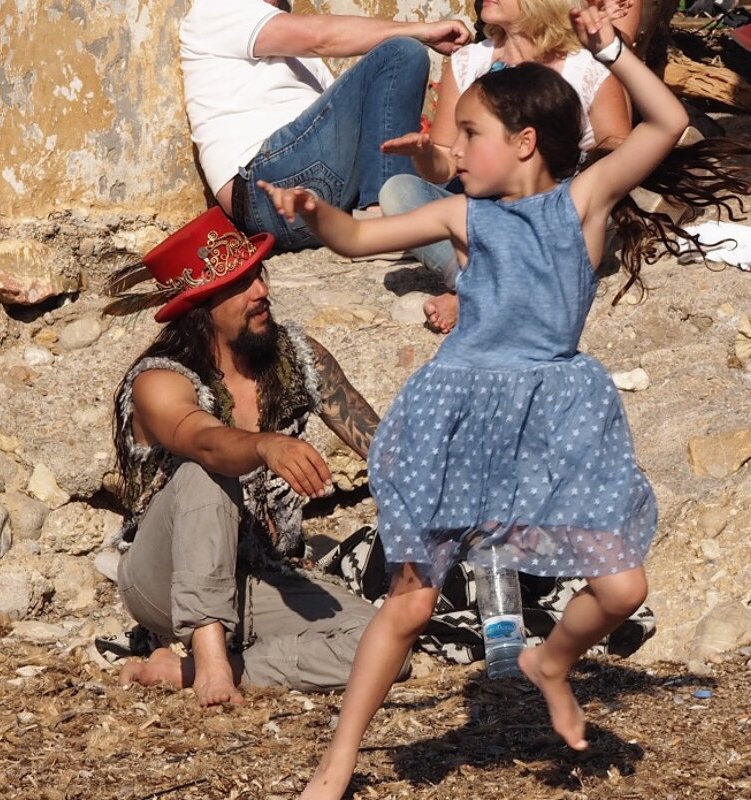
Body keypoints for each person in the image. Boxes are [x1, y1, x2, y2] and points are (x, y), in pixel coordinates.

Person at [259, 0, 751, 794]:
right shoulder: (462, 214)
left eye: (473, 135)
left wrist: (612, 49)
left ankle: (549, 662)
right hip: (461, 411)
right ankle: (341, 755)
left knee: (624, 587)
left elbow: (664, 122)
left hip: (556, 414)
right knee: (413, 600)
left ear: (524, 143)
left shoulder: (580, 205)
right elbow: (353, 239)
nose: (456, 148)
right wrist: (317, 213)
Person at [101, 207, 398, 707]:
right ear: (202, 309)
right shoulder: (159, 381)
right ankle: (212, 662)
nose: (260, 291)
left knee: (384, 647)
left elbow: (382, 447)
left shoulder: (296, 357)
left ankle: (197, 669)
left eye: (258, 273)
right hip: (164, 580)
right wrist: (265, 444)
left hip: (261, 576)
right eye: (239, 285)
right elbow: (205, 441)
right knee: (203, 471)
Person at [379, 0, 633, 332]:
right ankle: (489, 289)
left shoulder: (584, 67)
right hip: (485, 214)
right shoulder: (470, 62)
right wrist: (426, 154)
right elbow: (445, 164)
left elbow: (621, 154)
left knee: (590, 206)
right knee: (398, 191)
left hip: (555, 213)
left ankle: (478, 293)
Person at [180, 0, 472, 252]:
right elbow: (319, 38)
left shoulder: (302, 58)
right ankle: (384, 222)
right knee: (402, 53)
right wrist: (420, 30)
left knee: (465, 185)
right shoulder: (218, 8)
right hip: (264, 186)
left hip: (315, 196)